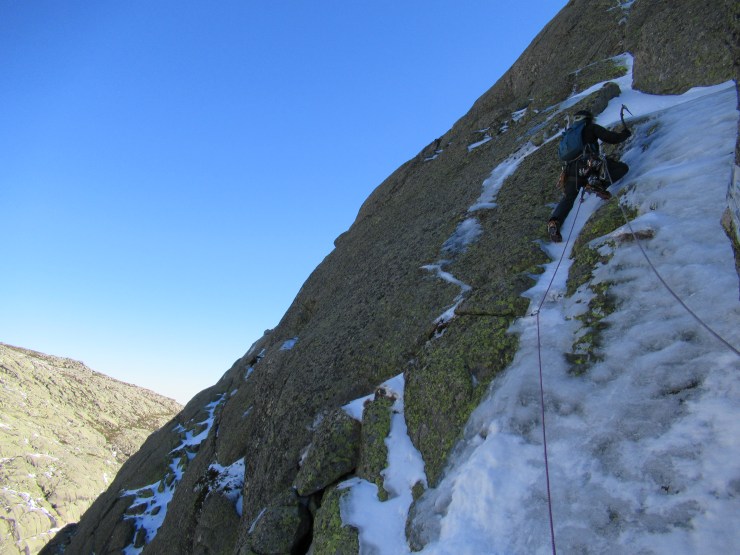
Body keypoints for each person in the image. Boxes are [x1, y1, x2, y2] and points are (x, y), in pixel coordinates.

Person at [548, 109, 631, 242]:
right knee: (622, 168)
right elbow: (611, 138)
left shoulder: (569, 133)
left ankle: (555, 222)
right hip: (590, 165)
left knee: (568, 198)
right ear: (588, 118)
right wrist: (625, 134)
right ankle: (597, 185)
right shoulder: (590, 127)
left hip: (570, 170)